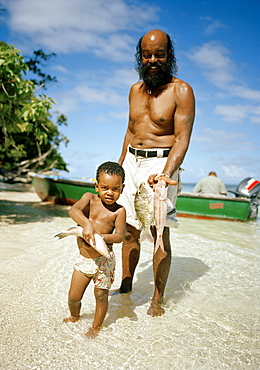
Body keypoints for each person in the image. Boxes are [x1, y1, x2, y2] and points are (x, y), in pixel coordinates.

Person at [117, 29, 195, 316]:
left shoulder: (181, 91)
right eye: (147, 55)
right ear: (140, 57)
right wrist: (119, 167)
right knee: (127, 228)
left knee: (158, 232)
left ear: (169, 55)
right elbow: (129, 130)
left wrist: (165, 173)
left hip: (160, 164)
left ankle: (157, 299)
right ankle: (125, 287)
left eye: (159, 54)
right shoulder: (134, 90)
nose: (153, 60)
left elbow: (182, 138)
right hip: (131, 163)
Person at [63, 161, 126, 338]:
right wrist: (87, 224)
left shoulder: (119, 211)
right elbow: (73, 211)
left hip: (104, 260)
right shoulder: (89, 199)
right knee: (74, 296)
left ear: (122, 189)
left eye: (115, 189)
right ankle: (74, 316)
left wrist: (99, 238)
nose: (109, 192)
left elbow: (120, 236)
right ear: (97, 186)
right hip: (84, 260)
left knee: (100, 295)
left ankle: (96, 327)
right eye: (105, 187)